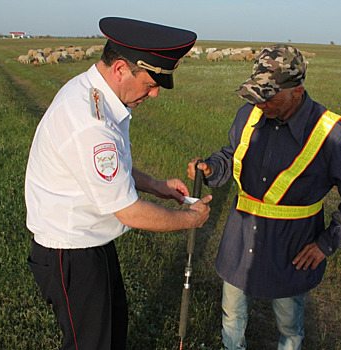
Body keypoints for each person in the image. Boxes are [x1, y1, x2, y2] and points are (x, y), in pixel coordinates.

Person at [25, 17, 212, 349]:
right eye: (151, 82)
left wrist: (155, 184)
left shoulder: (97, 95)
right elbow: (130, 213)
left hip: (90, 244)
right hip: (71, 252)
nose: (154, 93)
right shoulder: (90, 122)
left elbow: (112, 170)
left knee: (110, 333)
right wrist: (190, 219)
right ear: (122, 69)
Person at [187, 44, 341, 350]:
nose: (260, 103)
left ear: (297, 91)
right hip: (241, 239)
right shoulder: (249, 113)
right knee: (232, 315)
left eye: (268, 95)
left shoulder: (329, 133)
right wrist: (211, 168)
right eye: (256, 93)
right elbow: (233, 153)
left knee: (289, 324)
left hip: (291, 248)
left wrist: (327, 243)